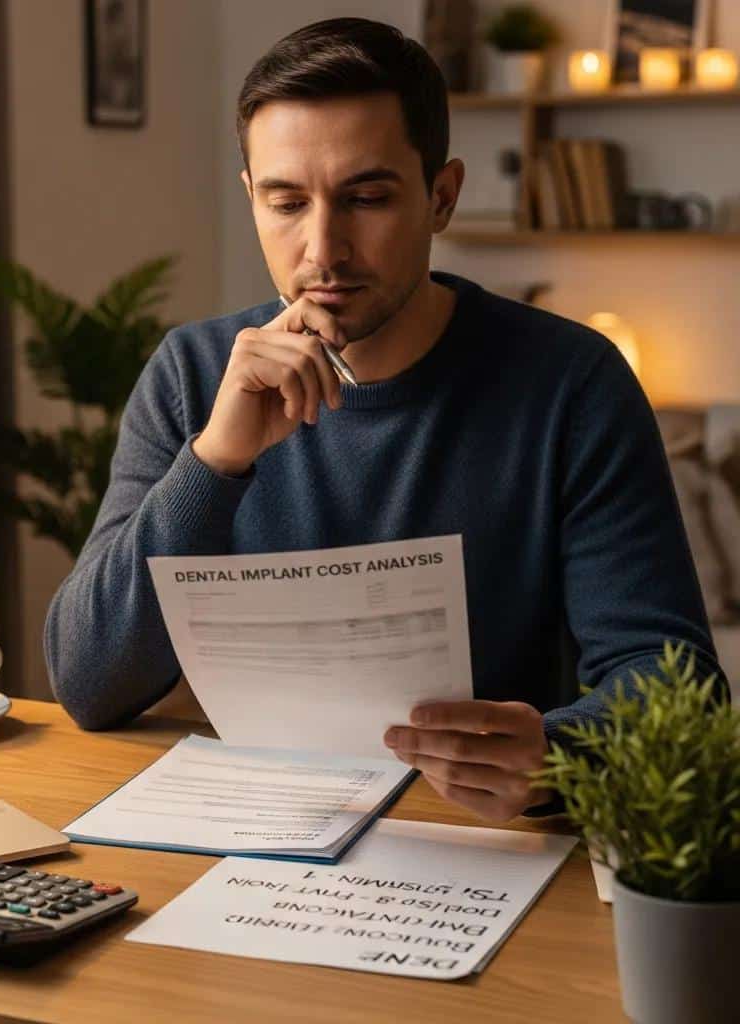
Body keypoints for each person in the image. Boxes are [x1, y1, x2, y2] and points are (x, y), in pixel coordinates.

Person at [45, 18, 724, 821]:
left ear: (442, 196)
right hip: (261, 833)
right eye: (286, 201)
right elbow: (89, 684)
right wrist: (216, 459)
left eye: (366, 198)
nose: (322, 249)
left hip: (488, 845)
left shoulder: (572, 384)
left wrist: (564, 751)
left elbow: (677, 685)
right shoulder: (194, 375)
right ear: (250, 197)